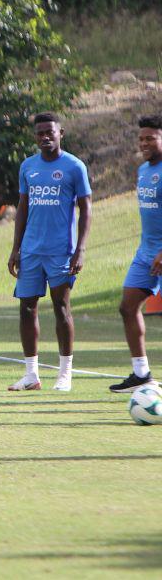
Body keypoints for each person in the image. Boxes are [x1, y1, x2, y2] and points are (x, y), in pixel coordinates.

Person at [7, 112, 92, 392]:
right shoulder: (28, 167)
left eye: (50, 132)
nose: (45, 137)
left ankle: (65, 374)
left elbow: (86, 209)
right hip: (31, 250)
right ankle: (31, 374)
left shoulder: (74, 167)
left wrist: (80, 249)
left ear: (61, 133)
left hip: (60, 252)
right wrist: (16, 248)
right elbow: (23, 207)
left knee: (61, 307)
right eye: (40, 133)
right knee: (26, 308)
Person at [112, 115, 162, 392]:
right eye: (141, 138)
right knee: (128, 307)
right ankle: (141, 373)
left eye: (151, 138)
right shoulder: (143, 170)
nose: (144, 143)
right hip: (146, 252)